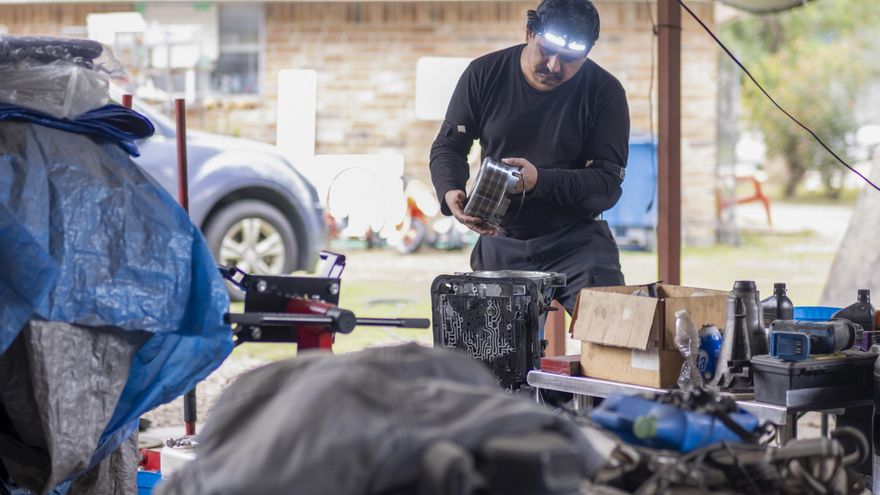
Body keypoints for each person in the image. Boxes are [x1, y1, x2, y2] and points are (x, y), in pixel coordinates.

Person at [429, 0, 629, 315]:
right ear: (528, 33)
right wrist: (450, 189)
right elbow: (449, 146)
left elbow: (607, 184)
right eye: (546, 51)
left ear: (588, 52)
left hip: (578, 241)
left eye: (570, 59)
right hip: (501, 238)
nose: (554, 66)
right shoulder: (484, 74)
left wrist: (540, 181)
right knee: (492, 341)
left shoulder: (605, 92)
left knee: (612, 329)